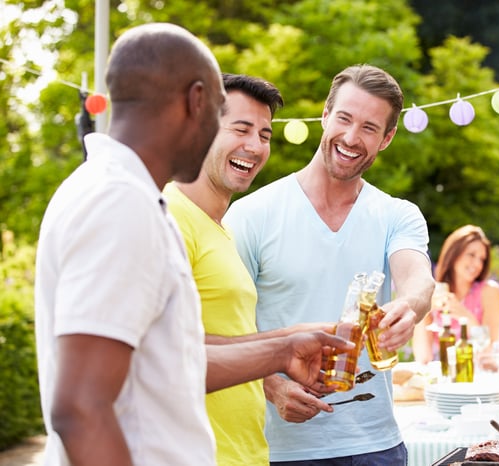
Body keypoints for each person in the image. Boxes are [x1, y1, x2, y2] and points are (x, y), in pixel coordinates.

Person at [34, 24, 354, 466]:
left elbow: (166, 361)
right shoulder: (119, 202)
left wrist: (281, 350)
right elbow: (80, 407)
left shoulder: (126, 194)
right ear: (196, 101)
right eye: (222, 115)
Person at [223, 64, 435, 464]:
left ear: (387, 138)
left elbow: (417, 279)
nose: (352, 138)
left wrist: (409, 307)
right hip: (277, 449)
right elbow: (225, 333)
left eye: (370, 128)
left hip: (375, 447)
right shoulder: (252, 215)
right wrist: (272, 385)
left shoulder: (397, 214)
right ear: (325, 114)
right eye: (344, 118)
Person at [163, 73, 300, 465]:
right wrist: (284, 347)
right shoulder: (171, 216)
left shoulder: (222, 231)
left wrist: (289, 347)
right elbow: (163, 352)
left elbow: (217, 340)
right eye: (241, 129)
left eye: (265, 135)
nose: (255, 146)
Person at [412, 225, 499, 366]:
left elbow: (488, 352)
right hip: (446, 376)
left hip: (478, 376)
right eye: (471, 255)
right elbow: (423, 357)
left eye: (482, 259)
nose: (478, 264)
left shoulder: (489, 291)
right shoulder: (435, 293)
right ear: (454, 254)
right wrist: (425, 311)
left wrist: (465, 316)